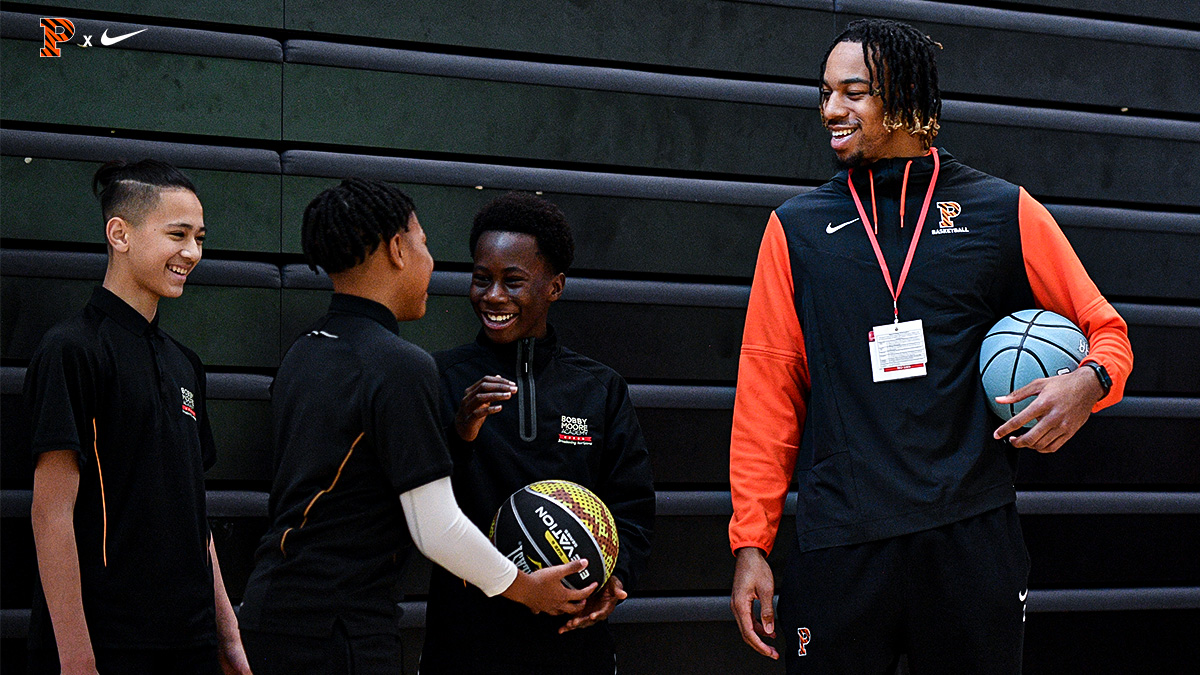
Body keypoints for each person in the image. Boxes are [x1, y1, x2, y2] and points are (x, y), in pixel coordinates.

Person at [728, 19, 1133, 674]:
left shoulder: (1004, 211)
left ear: (907, 95)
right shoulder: (793, 230)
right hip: (841, 543)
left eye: (853, 91)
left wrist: (1086, 383)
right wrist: (751, 541)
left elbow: (1106, 332)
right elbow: (768, 393)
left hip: (970, 537)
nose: (831, 108)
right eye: (827, 91)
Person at [237, 180, 594, 674]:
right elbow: (436, 528)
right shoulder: (399, 364)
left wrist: (458, 438)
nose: (431, 261)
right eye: (424, 243)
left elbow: (349, 486)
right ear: (397, 249)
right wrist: (523, 588)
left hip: (272, 615)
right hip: (338, 630)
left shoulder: (305, 350)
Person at [24, 160, 251, 674]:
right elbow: (51, 513)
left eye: (199, 237)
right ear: (119, 234)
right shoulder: (71, 350)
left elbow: (195, 514)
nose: (191, 252)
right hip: (111, 646)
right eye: (177, 234)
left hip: (190, 644)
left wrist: (227, 633)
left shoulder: (184, 362)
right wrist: (77, 659)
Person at [419, 192, 655, 675]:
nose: (493, 297)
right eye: (481, 279)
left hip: (571, 646)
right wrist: (460, 434)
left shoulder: (599, 389)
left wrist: (614, 578)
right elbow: (423, 509)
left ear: (555, 287)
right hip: (466, 642)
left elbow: (631, 509)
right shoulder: (439, 378)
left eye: (513, 281)